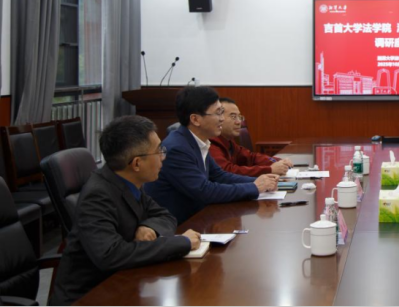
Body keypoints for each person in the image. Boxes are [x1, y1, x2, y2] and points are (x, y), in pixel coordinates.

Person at [50, 116, 202, 306]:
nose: (163, 157)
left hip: (123, 282)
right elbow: (110, 255)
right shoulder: (98, 195)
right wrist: (181, 243)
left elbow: (165, 215)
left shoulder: (128, 181)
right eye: (159, 151)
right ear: (137, 163)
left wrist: (150, 228)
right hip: (89, 295)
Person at [145, 86, 279, 224]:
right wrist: (254, 187)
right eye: (218, 113)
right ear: (195, 119)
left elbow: (220, 176)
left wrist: (260, 181)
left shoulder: (196, 141)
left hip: (197, 219)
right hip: (178, 226)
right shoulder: (177, 148)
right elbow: (204, 191)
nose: (222, 119)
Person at [210, 98, 294, 177]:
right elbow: (227, 171)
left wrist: (278, 161)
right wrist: (269, 169)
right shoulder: (211, 143)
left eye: (239, 117)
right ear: (219, 117)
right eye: (233, 117)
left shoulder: (228, 141)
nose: (239, 122)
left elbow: (251, 157)